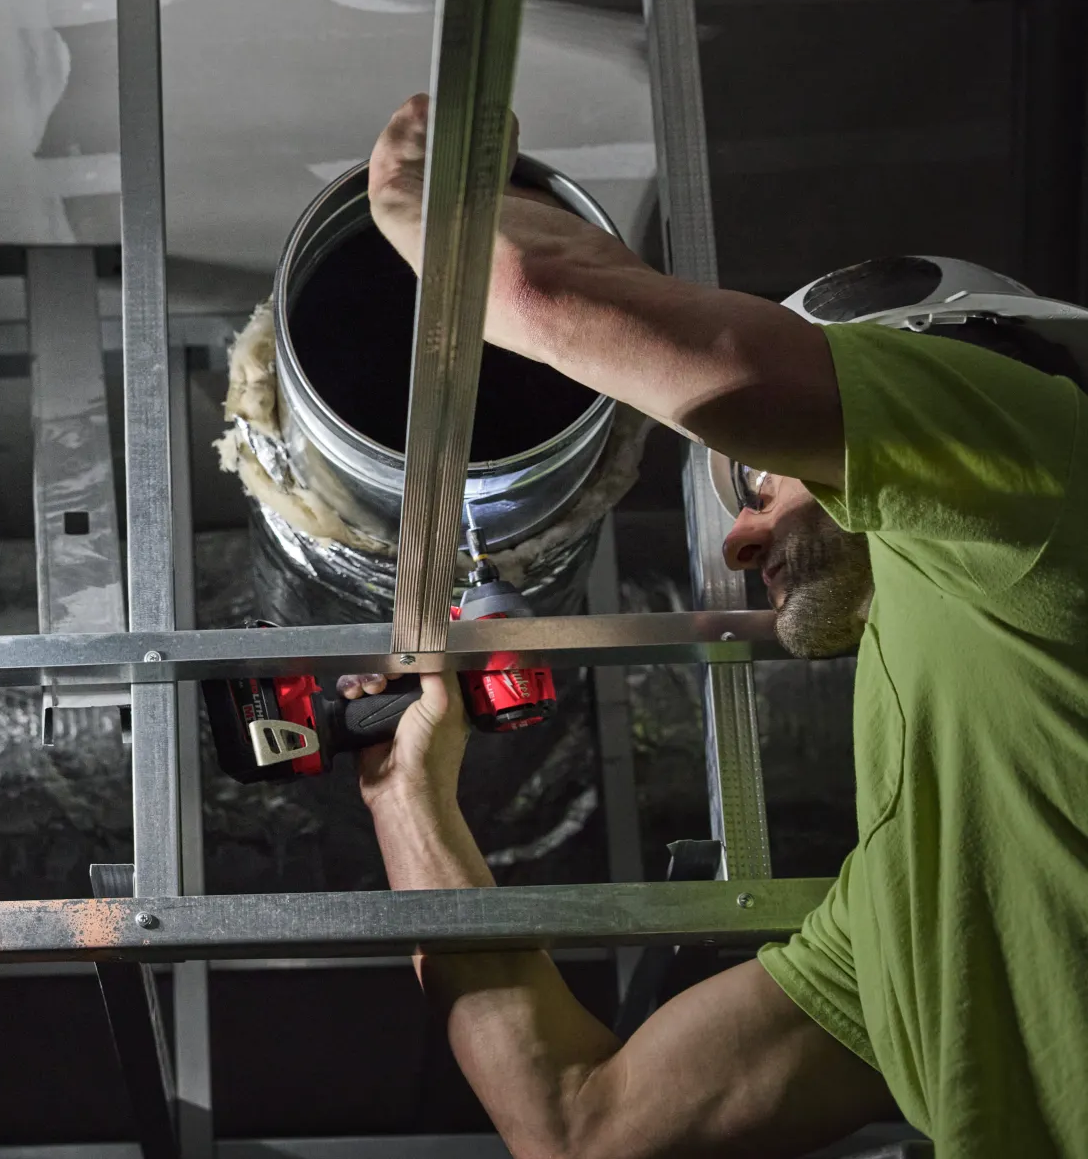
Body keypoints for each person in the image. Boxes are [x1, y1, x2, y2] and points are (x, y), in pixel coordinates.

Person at [339, 93, 1088, 1157]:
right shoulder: (909, 914)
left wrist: (434, 212)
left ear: (933, 370)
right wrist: (407, 798)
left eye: (761, 481)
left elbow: (680, 349)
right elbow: (577, 1125)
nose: (739, 543)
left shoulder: (1046, 462)